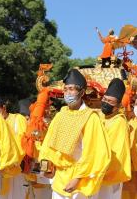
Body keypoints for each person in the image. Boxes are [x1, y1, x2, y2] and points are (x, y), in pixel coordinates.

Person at [39, 69, 111, 199]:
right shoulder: (61, 115)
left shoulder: (91, 117)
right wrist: (47, 165)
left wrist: (77, 178)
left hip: (80, 181)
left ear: (82, 92)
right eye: (65, 89)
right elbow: (48, 144)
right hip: (59, 178)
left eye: (71, 89)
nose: (67, 93)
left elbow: (95, 153)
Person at [93, 78, 131, 199]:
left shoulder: (119, 122)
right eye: (104, 99)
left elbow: (116, 152)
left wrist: (99, 170)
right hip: (94, 171)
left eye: (110, 101)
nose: (105, 103)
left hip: (109, 174)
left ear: (118, 105)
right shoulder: (98, 115)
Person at [0, 91, 28, 199]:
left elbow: (22, 144)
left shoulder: (17, 119)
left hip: (14, 170)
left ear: (4, 108)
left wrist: (8, 162)